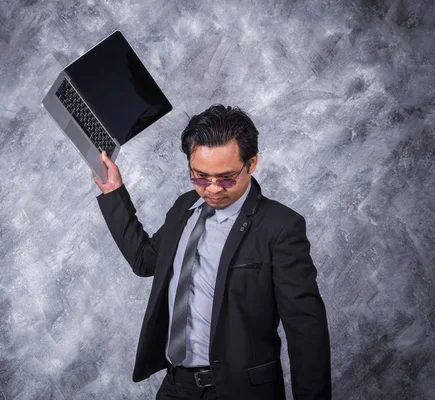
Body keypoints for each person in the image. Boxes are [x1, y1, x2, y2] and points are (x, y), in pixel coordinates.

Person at [93, 104, 331, 400]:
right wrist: (114, 191)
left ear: (252, 163)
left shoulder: (281, 227)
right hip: (177, 387)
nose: (213, 189)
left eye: (227, 177)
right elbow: (144, 260)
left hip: (240, 391)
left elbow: (306, 331)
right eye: (201, 176)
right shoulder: (184, 208)